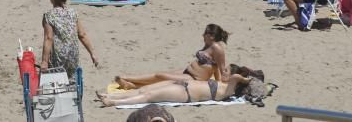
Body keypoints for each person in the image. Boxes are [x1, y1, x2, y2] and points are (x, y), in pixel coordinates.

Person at [115, 24, 229, 89]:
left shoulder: (217, 48)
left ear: (212, 36)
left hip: (194, 79)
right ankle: (130, 85)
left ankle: (126, 78)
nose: (203, 35)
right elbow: (214, 66)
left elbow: (220, 68)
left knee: (160, 76)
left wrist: (220, 85)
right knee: (160, 76)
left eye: (205, 33)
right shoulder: (208, 44)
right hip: (187, 72)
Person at [98, 66, 256, 107]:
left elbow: (242, 77)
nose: (223, 71)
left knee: (148, 97)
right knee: (143, 90)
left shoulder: (228, 88)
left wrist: (245, 76)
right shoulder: (222, 84)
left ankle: (114, 102)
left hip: (185, 93)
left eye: (227, 70)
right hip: (182, 84)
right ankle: (111, 96)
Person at [41, 0, 99, 80]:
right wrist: (92, 53)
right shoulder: (73, 13)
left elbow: (48, 38)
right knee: (72, 82)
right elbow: (82, 35)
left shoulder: (49, 15)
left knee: (58, 83)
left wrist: (44, 61)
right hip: (73, 55)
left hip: (59, 57)